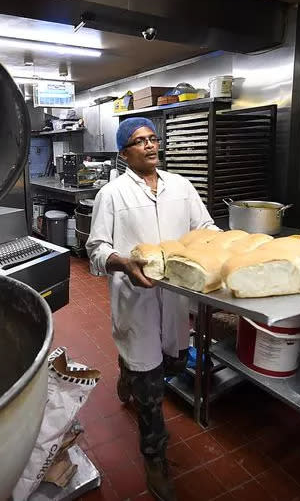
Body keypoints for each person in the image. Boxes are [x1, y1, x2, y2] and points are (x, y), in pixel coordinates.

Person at [86, 117, 219, 501]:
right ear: (125, 153)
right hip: (136, 302)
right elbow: (96, 250)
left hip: (176, 301)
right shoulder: (112, 194)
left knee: (174, 364)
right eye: (139, 142)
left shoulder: (181, 186)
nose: (149, 145)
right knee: (150, 394)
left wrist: (227, 248)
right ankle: (155, 459)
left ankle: (127, 371)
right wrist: (124, 262)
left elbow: (204, 227)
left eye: (153, 139)